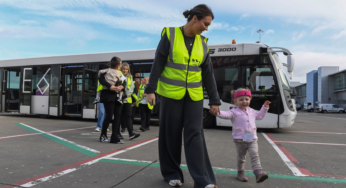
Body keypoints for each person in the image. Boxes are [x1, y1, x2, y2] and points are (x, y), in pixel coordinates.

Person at [145, 4, 220, 188]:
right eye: (205, 23)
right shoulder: (170, 35)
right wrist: (150, 90)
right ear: (195, 18)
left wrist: (214, 100)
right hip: (170, 94)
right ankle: (172, 174)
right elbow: (158, 64)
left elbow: (208, 74)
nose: (206, 27)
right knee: (170, 134)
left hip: (194, 96)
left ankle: (202, 180)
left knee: (195, 135)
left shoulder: (203, 43)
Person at [216, 88, 270, 183]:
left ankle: (258, 173)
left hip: (252, 138)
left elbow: (260, 116)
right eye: (241, 100)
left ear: (250, 100)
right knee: (241, 158)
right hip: (239, 139)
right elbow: (225, 115)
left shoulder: (252, 111)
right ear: (235, 101)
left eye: (246, 99)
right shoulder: (234, 111)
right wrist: (217, 111)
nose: (244, 101)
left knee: (255, 155)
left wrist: (264, 107)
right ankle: (240, 172)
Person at [99, 56, 127, 144]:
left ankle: (114, 137)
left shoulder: (120, 73)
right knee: (109, 116)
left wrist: (121, 87)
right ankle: (103, 135)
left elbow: (124, 82)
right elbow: (101, 79)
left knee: (118, 116)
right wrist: (110, 87)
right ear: (118, 64)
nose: (121, 65)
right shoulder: (106, 71)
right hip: (108, 96)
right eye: (121, 63)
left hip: (118, 97)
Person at [119, 62, 140, 140]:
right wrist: (123, 94)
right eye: (124, 69)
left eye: (126, 69)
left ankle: (131, 133)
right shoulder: (119, 76)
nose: (125, 70)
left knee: (128, 116)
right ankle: (117, 133)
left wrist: (127, 94)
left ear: (128, 70)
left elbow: (131, 88)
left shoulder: (130, 77)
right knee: (119, 117)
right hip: (120, 99)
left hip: (128, 100)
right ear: (121, 69)